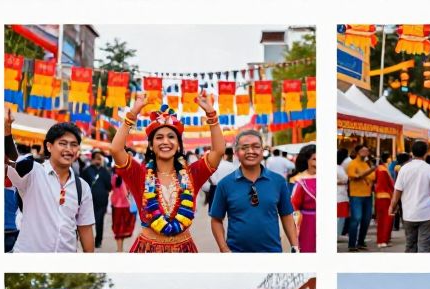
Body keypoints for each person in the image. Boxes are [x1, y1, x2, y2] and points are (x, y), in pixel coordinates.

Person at [110, 93, 223, 251]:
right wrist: (132, 114)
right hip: (147, 250)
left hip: (185, 250)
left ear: (178, 144)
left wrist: (211, 115)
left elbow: (218, 151)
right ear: (150, 145)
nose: (165, 142)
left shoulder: (192, 174)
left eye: (171, 137)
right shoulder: (139, 174)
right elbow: (115, 149)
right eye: (159, 137)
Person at [4, 113, 95, 253]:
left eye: (74, 145)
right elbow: (14, 158)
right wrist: (6, 133)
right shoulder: (33, 172)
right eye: (63, 144)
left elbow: (85, 229)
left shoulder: (82, 187)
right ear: (49, 146)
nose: (69, 149)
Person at [210, 129, 298, 252]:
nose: (250, 151)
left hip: (272, 254)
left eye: (256, 147)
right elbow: (216, 220)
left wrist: (295, 246)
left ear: (262, 150)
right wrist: (224, 248)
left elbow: (286, 215)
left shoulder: (278, 181)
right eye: (244, 147)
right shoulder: (224, 184)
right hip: (237, 255)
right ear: (236, 152)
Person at [389, 140, 430, 252]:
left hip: (409, 214)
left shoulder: (404, 169)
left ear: (412, 152)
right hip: (427, 214)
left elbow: (397, 190)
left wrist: (392, 206)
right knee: (424, 247)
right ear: (426, 153)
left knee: (410, 245)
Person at [345, 144, 376, 251]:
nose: (366, 152)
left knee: (366, 220)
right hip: (356, 195)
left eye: (367, 151)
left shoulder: (366, 164)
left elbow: (373, 177)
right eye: (363, 150)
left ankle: (361, 242)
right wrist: (369, 171)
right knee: (356, 218)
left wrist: (368, 172)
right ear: (358, 152)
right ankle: (352, 244)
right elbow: (354, 177)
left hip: (368, 195)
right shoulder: (352, 164)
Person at [80, 150, 113, 248]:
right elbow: (82, 183)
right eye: (96, 158)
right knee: (86, 221)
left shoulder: (105, 171)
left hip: (101, 201)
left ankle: (98, 240)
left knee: (99, 221)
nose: (98, 160)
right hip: (88, 201)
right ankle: (87, 240)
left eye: (100, 158)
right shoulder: (87, 170)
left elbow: (109, 186)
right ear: (92, 159)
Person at [289, 144, 316, 253]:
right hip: (307, 223)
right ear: (307, 160)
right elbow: (294, 207)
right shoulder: (298, 180)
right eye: (314, 159)